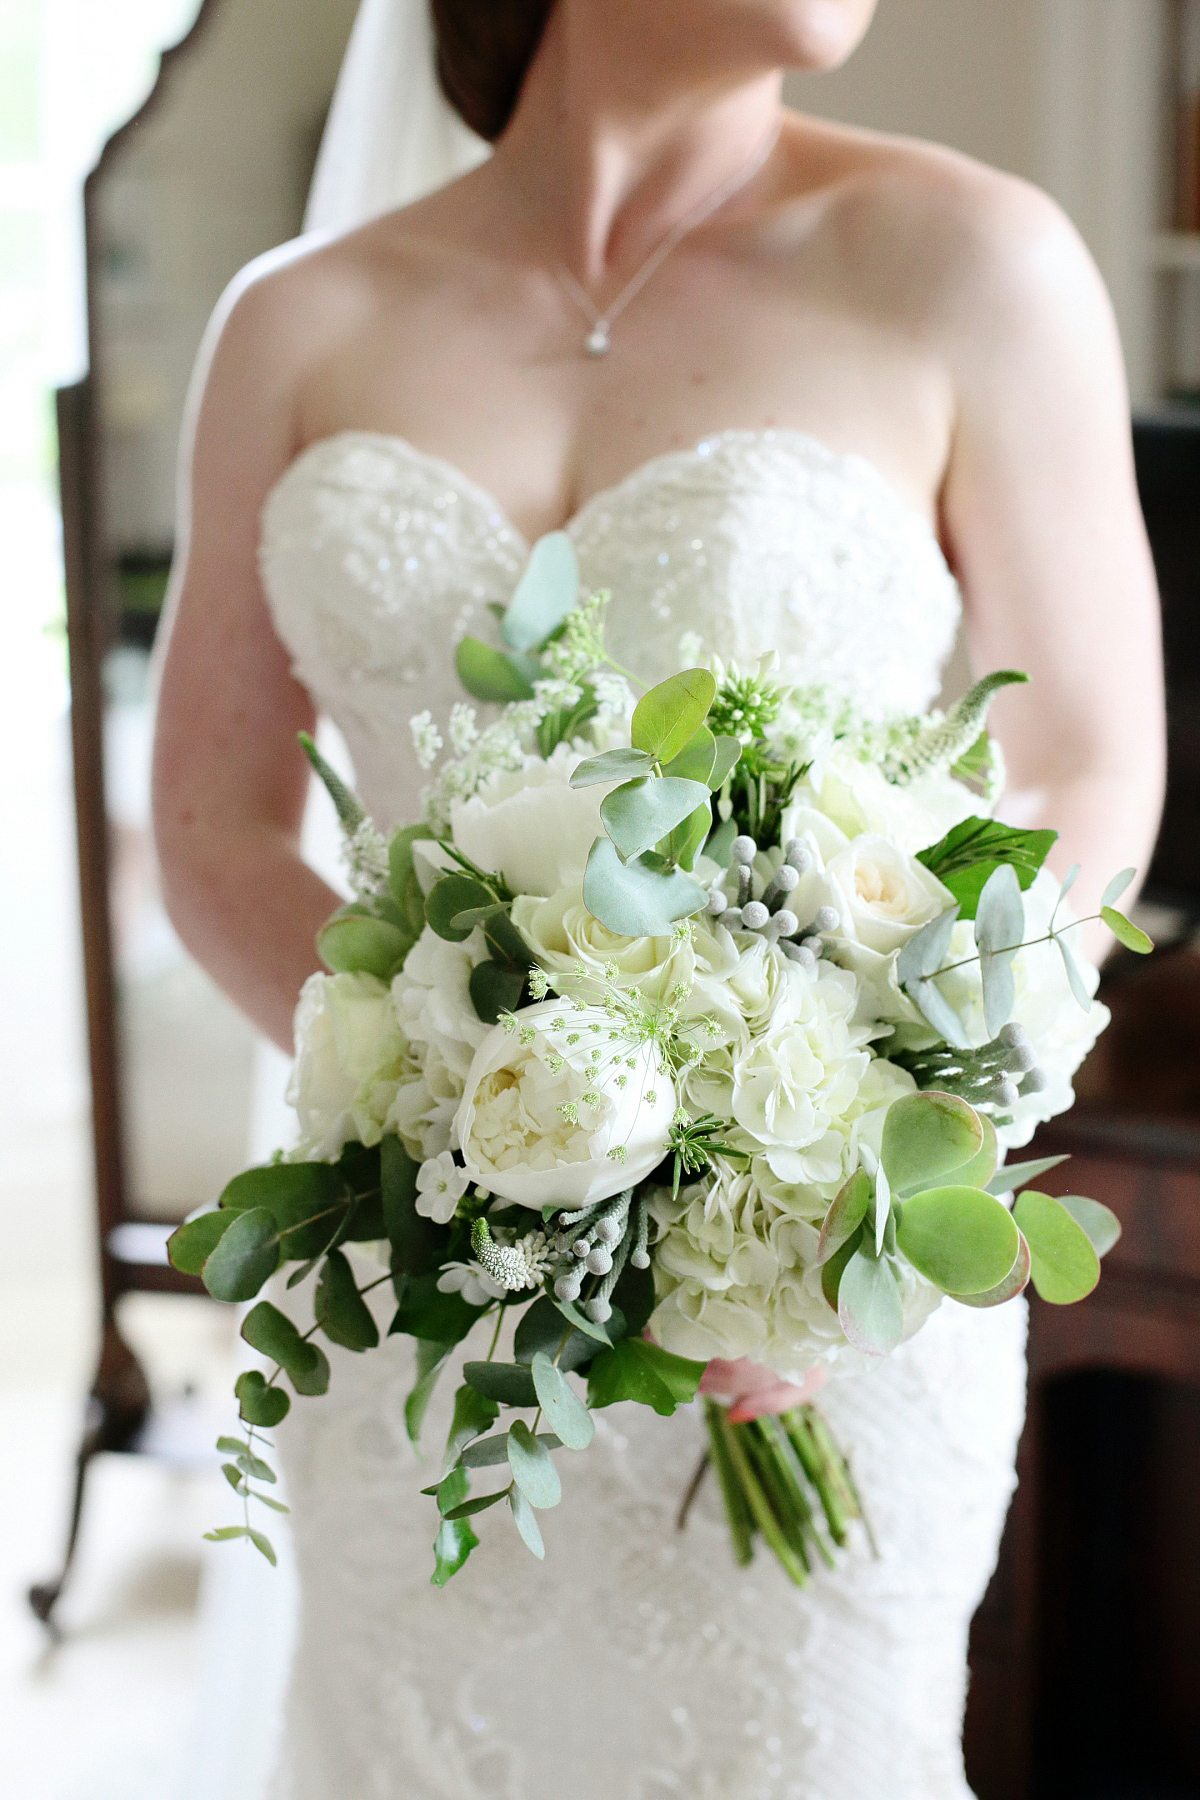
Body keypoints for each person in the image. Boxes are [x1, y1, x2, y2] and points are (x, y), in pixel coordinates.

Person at [152, 2, 1165, 1795]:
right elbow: (217, 821)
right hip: (429, 1305)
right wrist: (449, 1109)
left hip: (819, 1305)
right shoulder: (296, 321)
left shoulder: (969, 263)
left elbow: (1088, 768)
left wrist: (850, 1149)